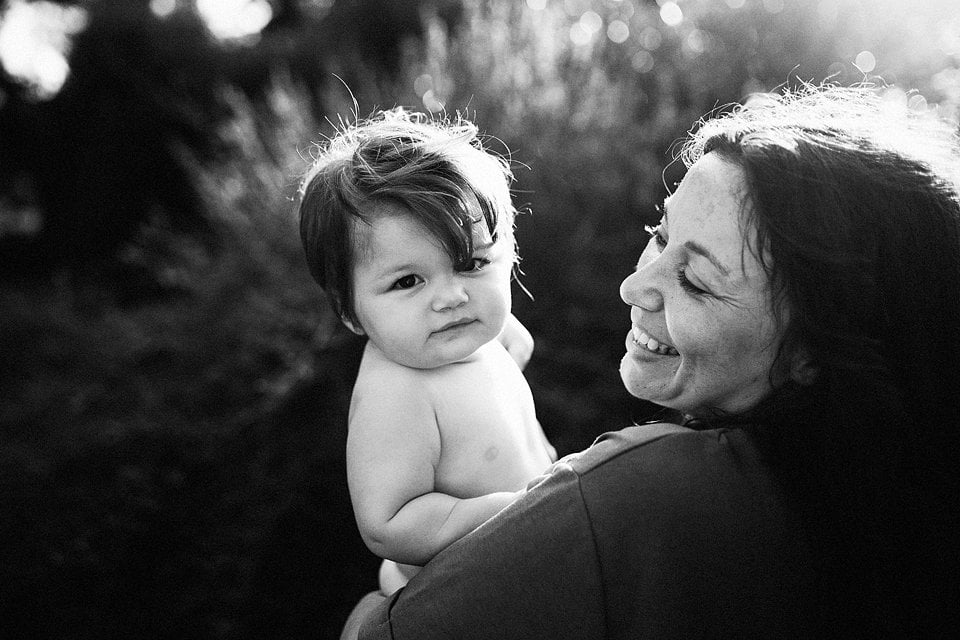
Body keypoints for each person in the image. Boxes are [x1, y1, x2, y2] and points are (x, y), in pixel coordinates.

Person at [339, 84, 960, 639]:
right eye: (659, 235)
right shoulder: (878, 513)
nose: (634, 287)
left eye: (694, 280)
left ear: (813, 350)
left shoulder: (633, 501)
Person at [297, 108, 556, 597]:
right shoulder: (396, 392)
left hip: (530, 560)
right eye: (408, 281)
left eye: (472, 262)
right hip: (457, 604)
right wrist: (519, 506)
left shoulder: (462, 333)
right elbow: (388, 522)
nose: (452, 297)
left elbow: (511, 346)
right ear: (350, 312)